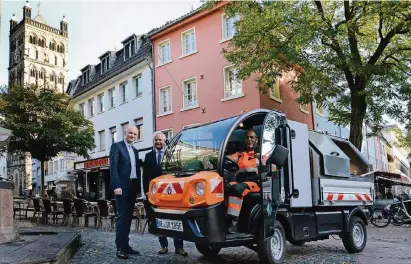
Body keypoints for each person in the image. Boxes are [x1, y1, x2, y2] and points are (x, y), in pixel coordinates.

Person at [142, 131, 188, 256]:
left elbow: (178, 173)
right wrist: (146, 191)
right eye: (156, 140)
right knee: (159, 219)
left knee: (175, 219)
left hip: (172, 193)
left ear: (164, 141)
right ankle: (163, 246)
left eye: (160, 140)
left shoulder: (171, 155)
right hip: (156, 195)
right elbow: (145, 176)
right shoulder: (148, 156)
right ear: (153, 142)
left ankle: (179, 247)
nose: (158, 142)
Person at [110, 125, 141, 259]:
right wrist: (117, 185)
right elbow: (114, 167)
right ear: (125, 133)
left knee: (129, 218)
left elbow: (137, 170)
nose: (132, 136)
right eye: (130, 133)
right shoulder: (117, 147)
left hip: (132, 187)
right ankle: (120, 248)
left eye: (135, 134)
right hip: (121, 187)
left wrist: (139, 189)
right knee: (122, 217)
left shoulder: (135, 150)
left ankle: (126, 246)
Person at [225, 129, 261, 233]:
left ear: (256, 140)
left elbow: (271, 169)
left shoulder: (261, 155)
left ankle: (234, 221)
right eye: (247, 137)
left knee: (235, 188)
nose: (249, 139)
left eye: (252, 137)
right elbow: (228, 159)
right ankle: (224, 218)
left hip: (255, 183)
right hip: (240, 182)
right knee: (227, 186)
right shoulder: (240, 154)